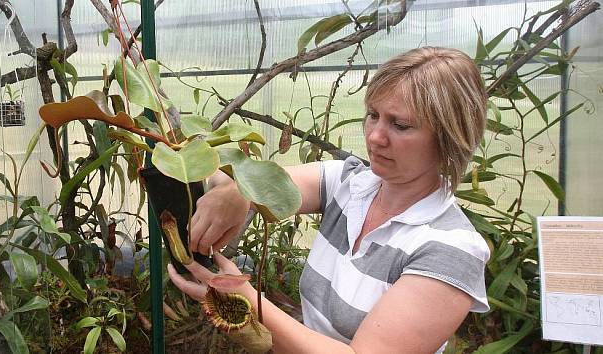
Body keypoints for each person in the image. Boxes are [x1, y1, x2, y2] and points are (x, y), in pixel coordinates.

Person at [167, 46, 490, 354]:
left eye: (401, 125)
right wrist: (234, 190)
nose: (375, 136)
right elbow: (247, 178)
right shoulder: (346, 183)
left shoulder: (451, 251)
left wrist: (246, 301)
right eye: (373, 115)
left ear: (450, 135)